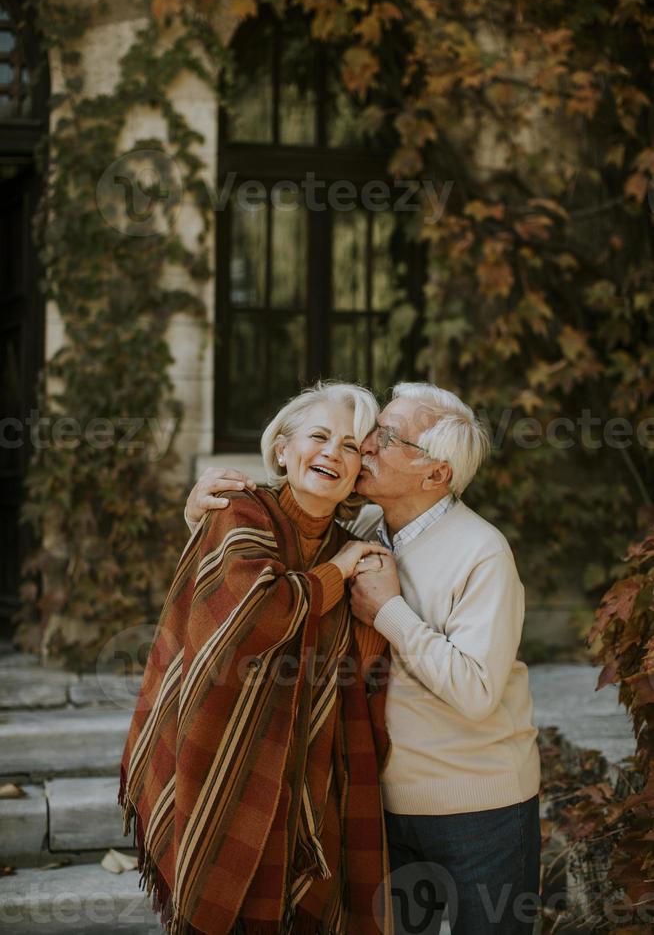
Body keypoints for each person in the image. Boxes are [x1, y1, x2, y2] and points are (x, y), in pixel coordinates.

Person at [185, 382, 542, 935]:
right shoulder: (366, 530)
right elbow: (269, 569)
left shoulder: (482, 552)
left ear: (436, 474)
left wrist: (391, 612)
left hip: (479, 812)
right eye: (373, 433)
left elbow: (476, 691)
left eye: (388, 437)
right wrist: (203, 513)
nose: (366, 446)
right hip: (381, 802)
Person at [119, 381, 397, 935]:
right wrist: (337, 575)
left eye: (349, 446)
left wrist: (374, 606)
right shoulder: (243, 512)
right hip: (225, 747)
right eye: (318, 436)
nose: (332, 454)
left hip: (317, 767)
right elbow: (257, 617)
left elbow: (365, 667)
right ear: (282, 451)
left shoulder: (353, 540)